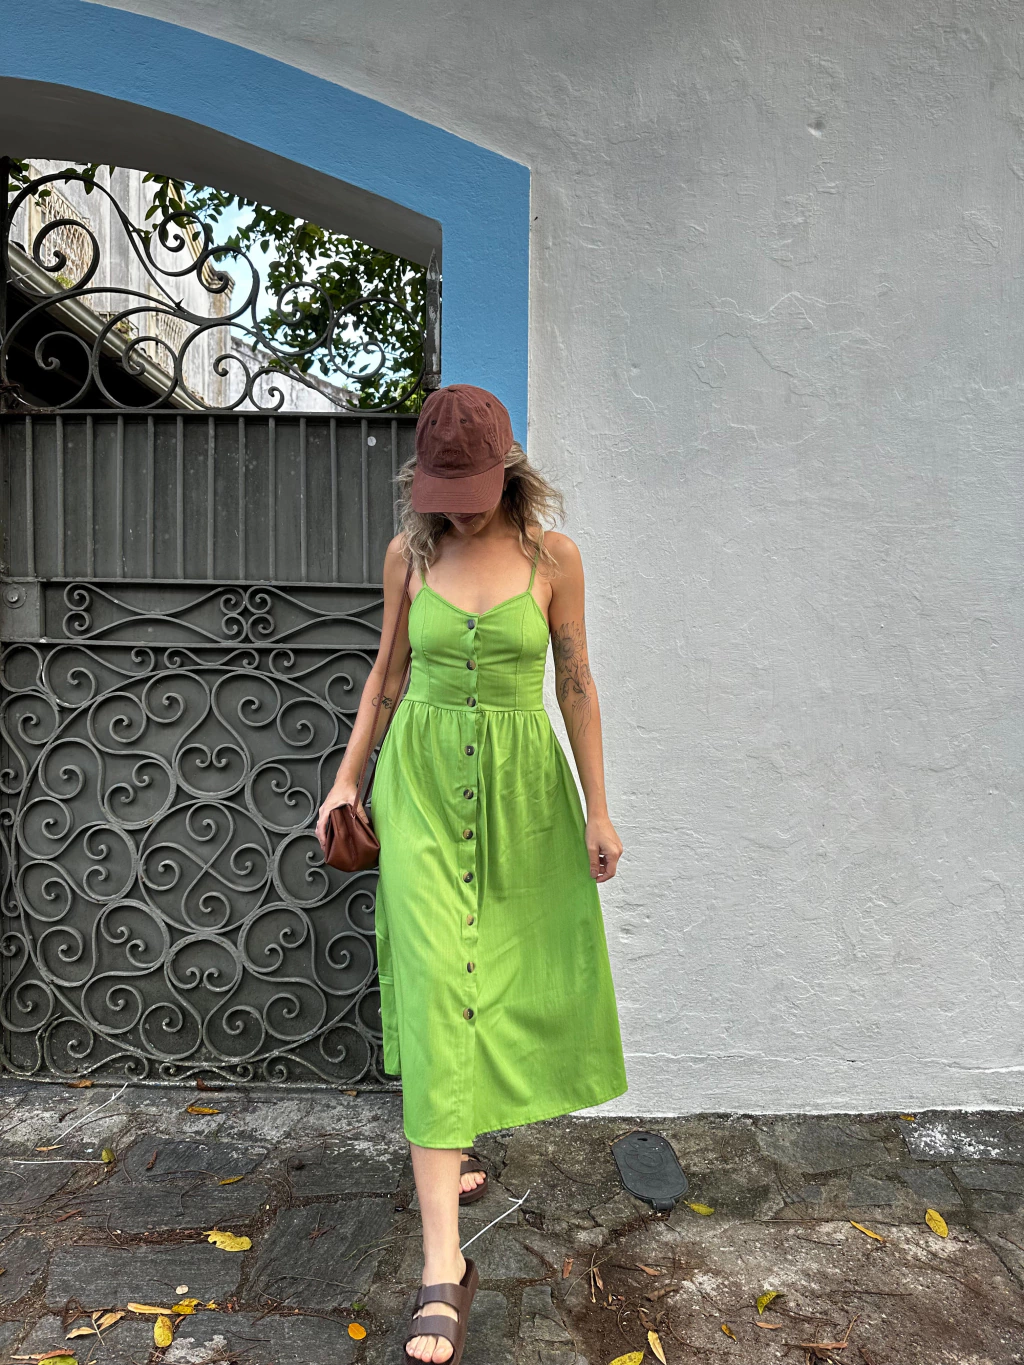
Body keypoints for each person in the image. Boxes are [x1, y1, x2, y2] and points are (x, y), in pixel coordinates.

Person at [316, 384, 627, 1365]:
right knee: (434, 977)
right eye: (442, 494)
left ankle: (450, 1142)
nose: (456, 511)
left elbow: (574, 680)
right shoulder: (409, 556)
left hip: (522, 796)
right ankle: (441, 1268)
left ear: (509, 471)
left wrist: (598, 806)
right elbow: (387, 676)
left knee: (495, 976)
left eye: (472, 491)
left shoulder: (553, 558)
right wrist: (346, 778)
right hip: (418, 789)